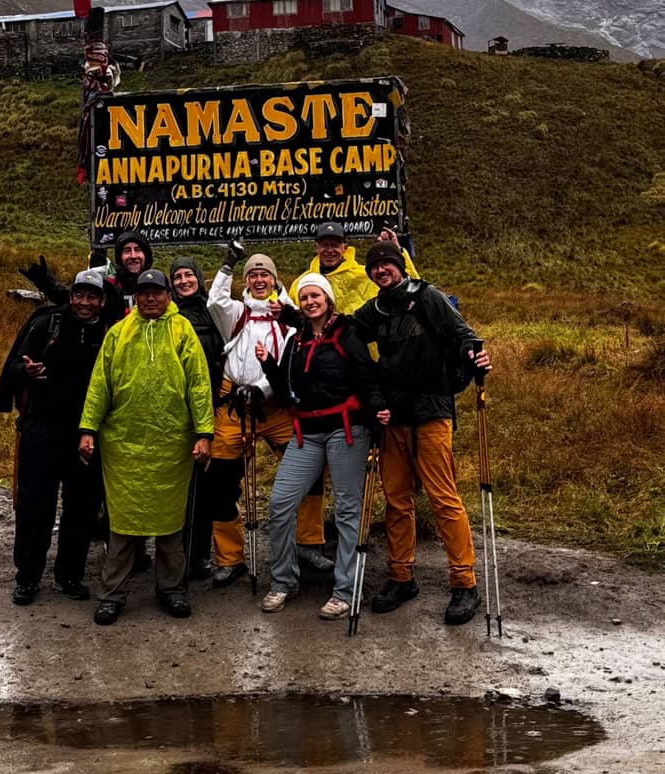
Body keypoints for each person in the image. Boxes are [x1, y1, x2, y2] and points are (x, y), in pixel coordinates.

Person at [354, 242, 491, 626]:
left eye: (387, 264)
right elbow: (344, 331)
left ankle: (465, 583)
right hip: (394, 415)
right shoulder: (375, 309)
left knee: (443, 497)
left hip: (431, 411)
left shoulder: (427, 296)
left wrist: (473, 355)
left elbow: (463, 333)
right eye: (375, 267)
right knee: (396, 500)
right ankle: (401, 577)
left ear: (400, 267)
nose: (381, 270)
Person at [78, 268, 214, 625]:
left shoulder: (182, 330)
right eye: (144, 293)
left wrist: (204, 433)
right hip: (124, 447)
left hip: (171, 445)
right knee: (123, 525)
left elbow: (199, 384)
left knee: (171, 525)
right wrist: (88, 428)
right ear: (135, 297)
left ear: (168, 295)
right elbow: (99, 385)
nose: (151, 298)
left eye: (157, 292)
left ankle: (171, 589)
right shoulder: (118, 334)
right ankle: (112, 595)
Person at [257, 272, 389, 620]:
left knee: (347, 509)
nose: (310, 301)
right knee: (280, 503)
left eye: (315, 295)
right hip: (308, 432)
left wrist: (377, 410)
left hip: (347, 430)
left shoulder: (347, 334)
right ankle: (284, 581)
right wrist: (269, 365)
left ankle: (344, 590)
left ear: (328, 299)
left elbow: (366, 374)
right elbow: (285, 391)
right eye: (304, 297)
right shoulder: (295, 341)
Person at [206, 245, 331, 587]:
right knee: (220, 480)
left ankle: (308, 542)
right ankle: (229, 558)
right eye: (253, 275)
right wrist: (228, 264)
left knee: (309, 468)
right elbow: (215, 300)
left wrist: (261, 388)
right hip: (233, 406)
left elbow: (288, 362)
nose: (259, 280)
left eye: (265, 274)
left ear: (275, 280)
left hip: (275, 407)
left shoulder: (290, 316)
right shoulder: (235, 312)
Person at [0, 268, 108, 606]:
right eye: (79, 295)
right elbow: (15, 365)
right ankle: (28, 577)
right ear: (71, 296)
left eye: (91, 296)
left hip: (85, 432)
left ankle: (69, 576)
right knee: (35, 506)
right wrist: (26, 371)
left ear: (102, 301)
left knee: (81, 508)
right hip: (42, 428)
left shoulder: (108, 332)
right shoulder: (47, 323)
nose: (84, 302)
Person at [169, 256, 232, 582]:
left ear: (198, 278)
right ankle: (173, 557)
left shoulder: (213, 310)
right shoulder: (167, 314)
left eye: (188, 275)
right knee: (178, 486)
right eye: (177, 277)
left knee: (207, 485)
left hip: (212, 407)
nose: (183, 281)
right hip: (176, 411)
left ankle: (199, 557)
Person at [288, 221, 418, 315]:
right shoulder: (302, 283)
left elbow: (409, 288)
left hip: (361, 349)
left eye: (334, 245)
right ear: (316, 248)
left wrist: (397, 251)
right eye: (324, 245)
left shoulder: (365, 275)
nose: (329, 250)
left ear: (345, 247)